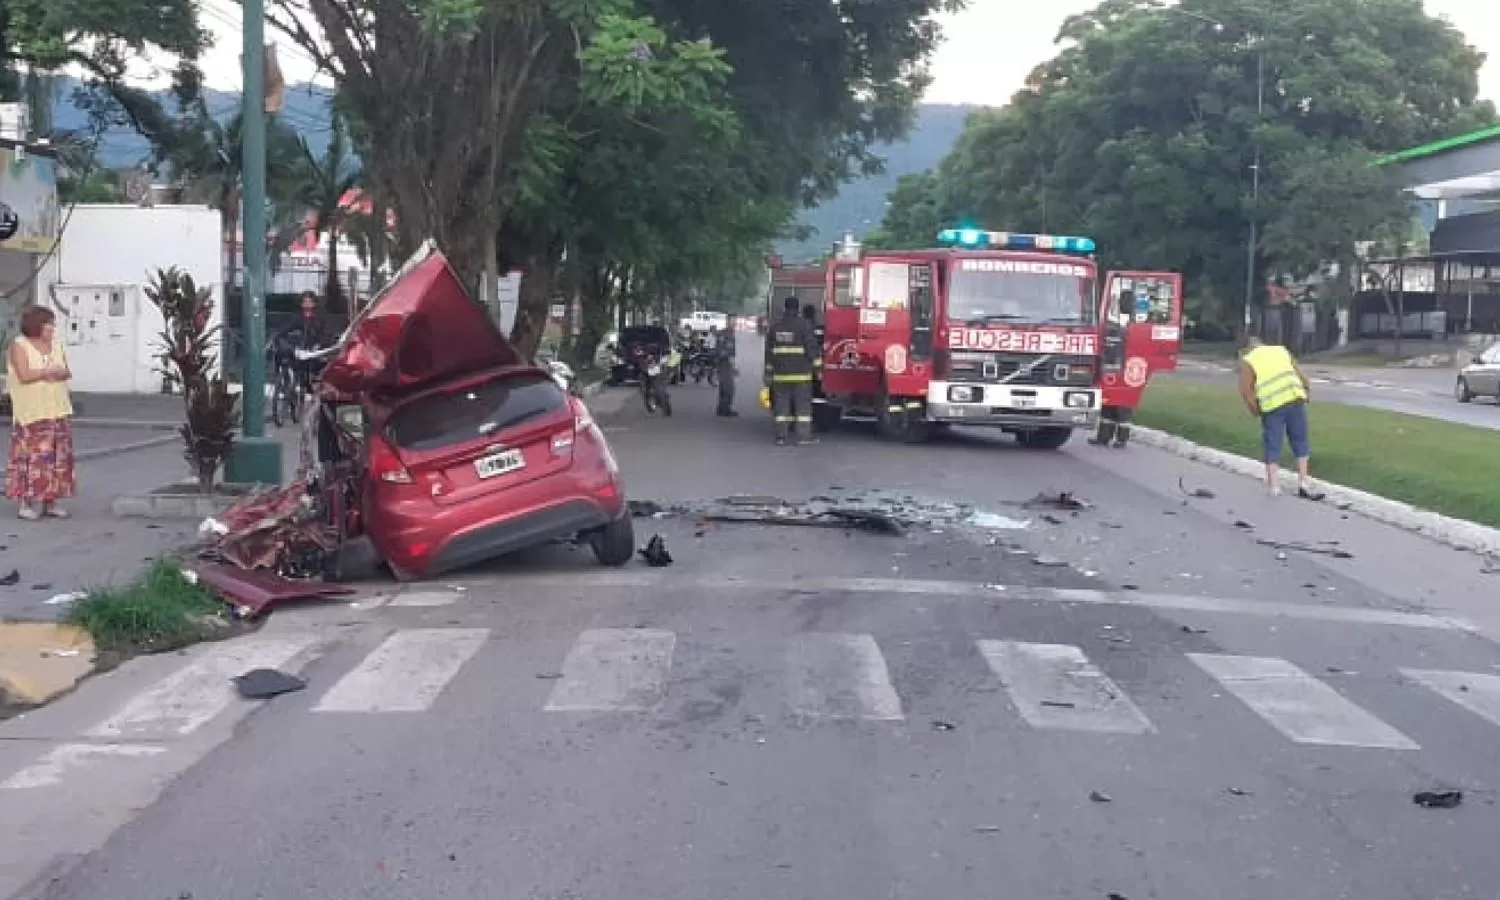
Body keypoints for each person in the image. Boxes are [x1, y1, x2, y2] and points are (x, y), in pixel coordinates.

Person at [5, 305, 75, 520]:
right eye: (49, 324)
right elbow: (24, 375)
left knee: (57, 458)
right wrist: (47, 372)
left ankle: (51, 502)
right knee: (32, 457)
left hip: (57, 409)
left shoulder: (56, 345)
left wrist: (61, 372)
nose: (52, 328)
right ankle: (26, 503)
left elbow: (67, 372)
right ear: (36, 325)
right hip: (32, 412)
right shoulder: (19, 345)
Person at [1239, 335, 1323, 499]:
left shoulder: (1248, 360)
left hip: (1272, 406)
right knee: (1300, 440)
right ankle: (1304, 483)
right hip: (1295, 398)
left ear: (1247, 349)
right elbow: (1301, 376)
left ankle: (1274, 486)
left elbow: (1246, 391)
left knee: (1273, 444)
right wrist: (1306, 393)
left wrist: (1255, 410)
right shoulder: (1281, 350)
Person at [765, 296, 818, 445]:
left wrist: (768, 373)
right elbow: (811, 348)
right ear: (798, 309)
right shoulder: (804, 325)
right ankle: (803, 437)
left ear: (785, 308)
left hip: (780, 376)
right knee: (802, 408)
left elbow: (769, 353)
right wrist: (818, 368)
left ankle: (781, 437)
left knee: (781, 408)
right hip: (801, 377)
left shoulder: (776, 327)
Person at [715, 316, 738, 417]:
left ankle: (722, 408)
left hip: (724, 362)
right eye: (732, 321)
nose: (734, 323)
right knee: (728, 388)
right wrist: (733, 366)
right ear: (727, 321)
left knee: (724, 387)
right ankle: (725, 409)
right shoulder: (725, 334)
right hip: (724, 363)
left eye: (735, 321)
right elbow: (725, 351)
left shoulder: (729, 333)